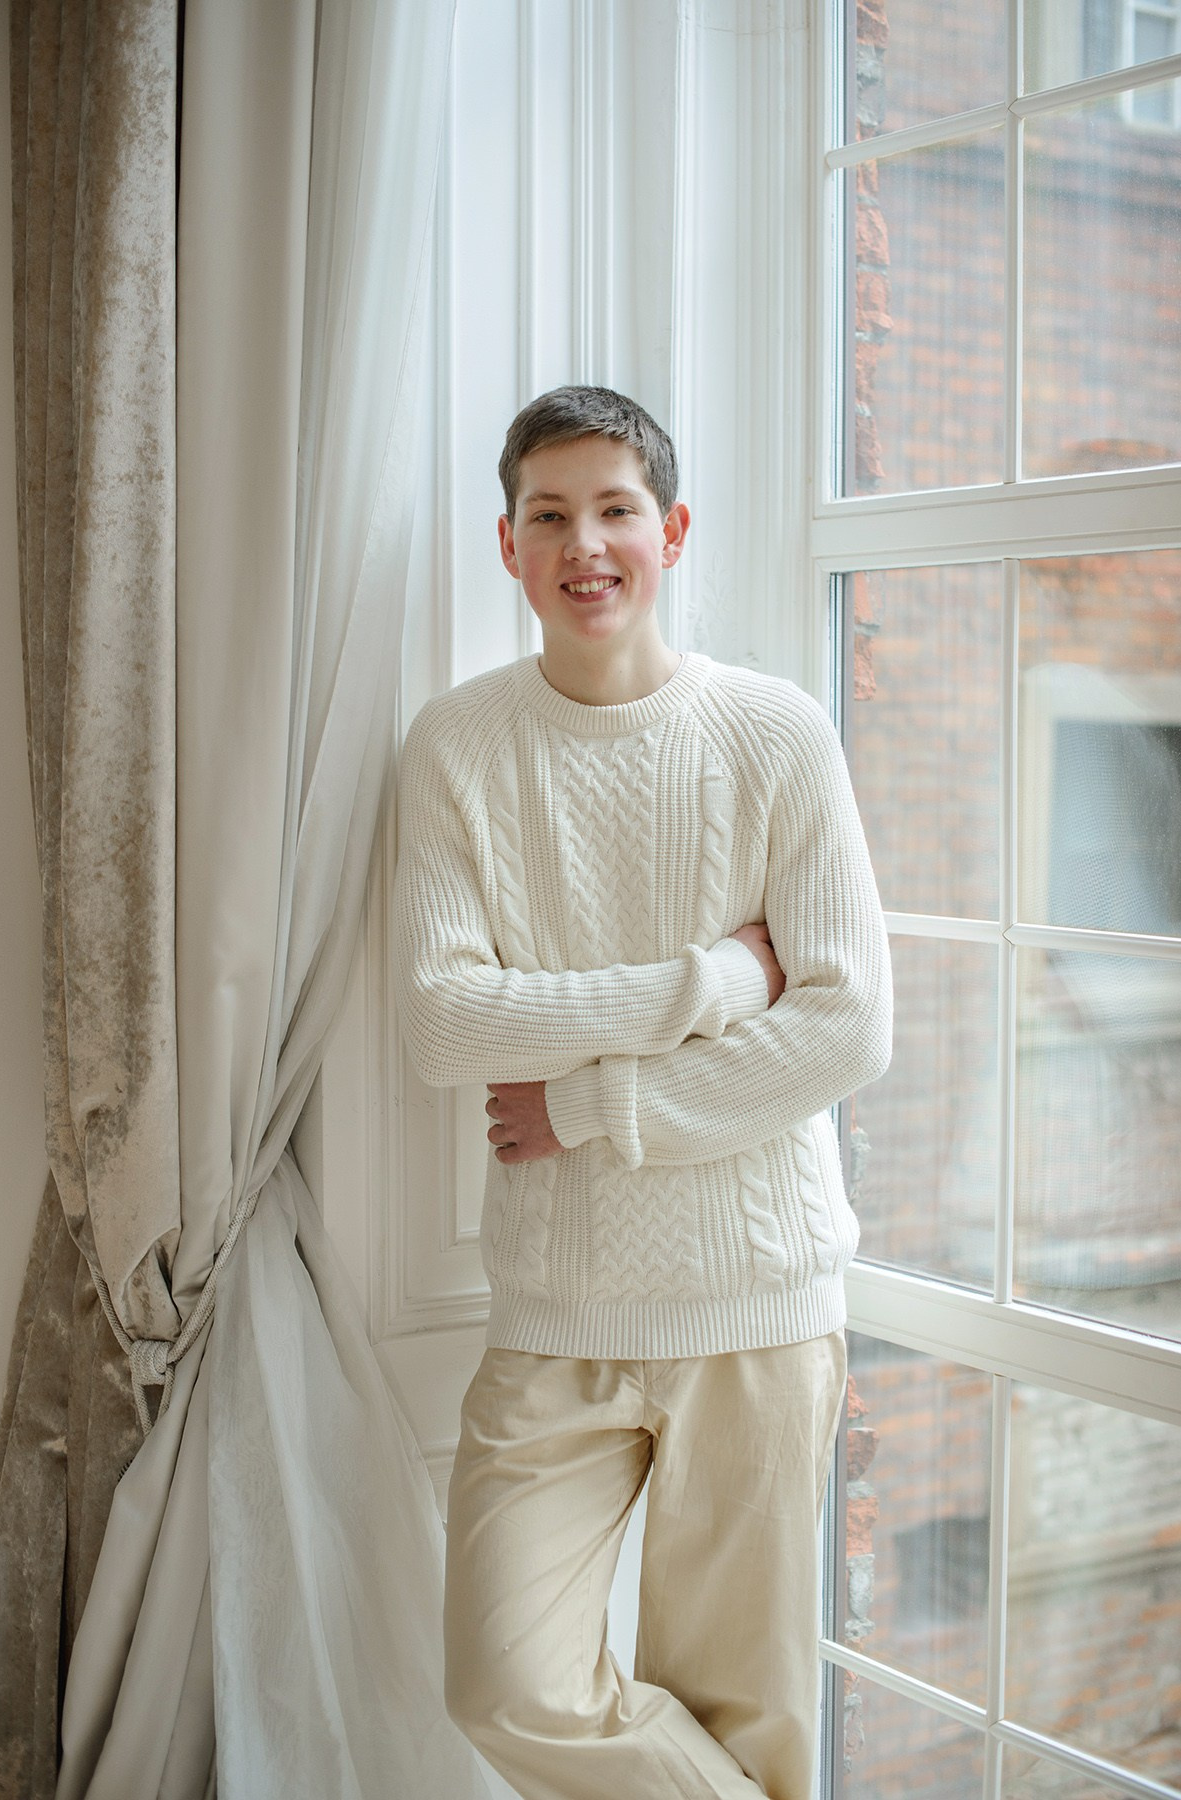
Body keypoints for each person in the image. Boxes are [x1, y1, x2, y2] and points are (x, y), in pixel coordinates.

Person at [392, 385, 892, 1800]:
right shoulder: (456, 747)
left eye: (614, 509)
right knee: (508, 1682)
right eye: (549, 515)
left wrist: (588, 1105)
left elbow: (846, 1031)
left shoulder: (774, 732)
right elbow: (442, 1026)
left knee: (748, 1713)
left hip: (756, 1303)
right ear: (507, 545)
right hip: (553, 1315)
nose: (584, 544)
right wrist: (712, 986)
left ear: (668, 531)